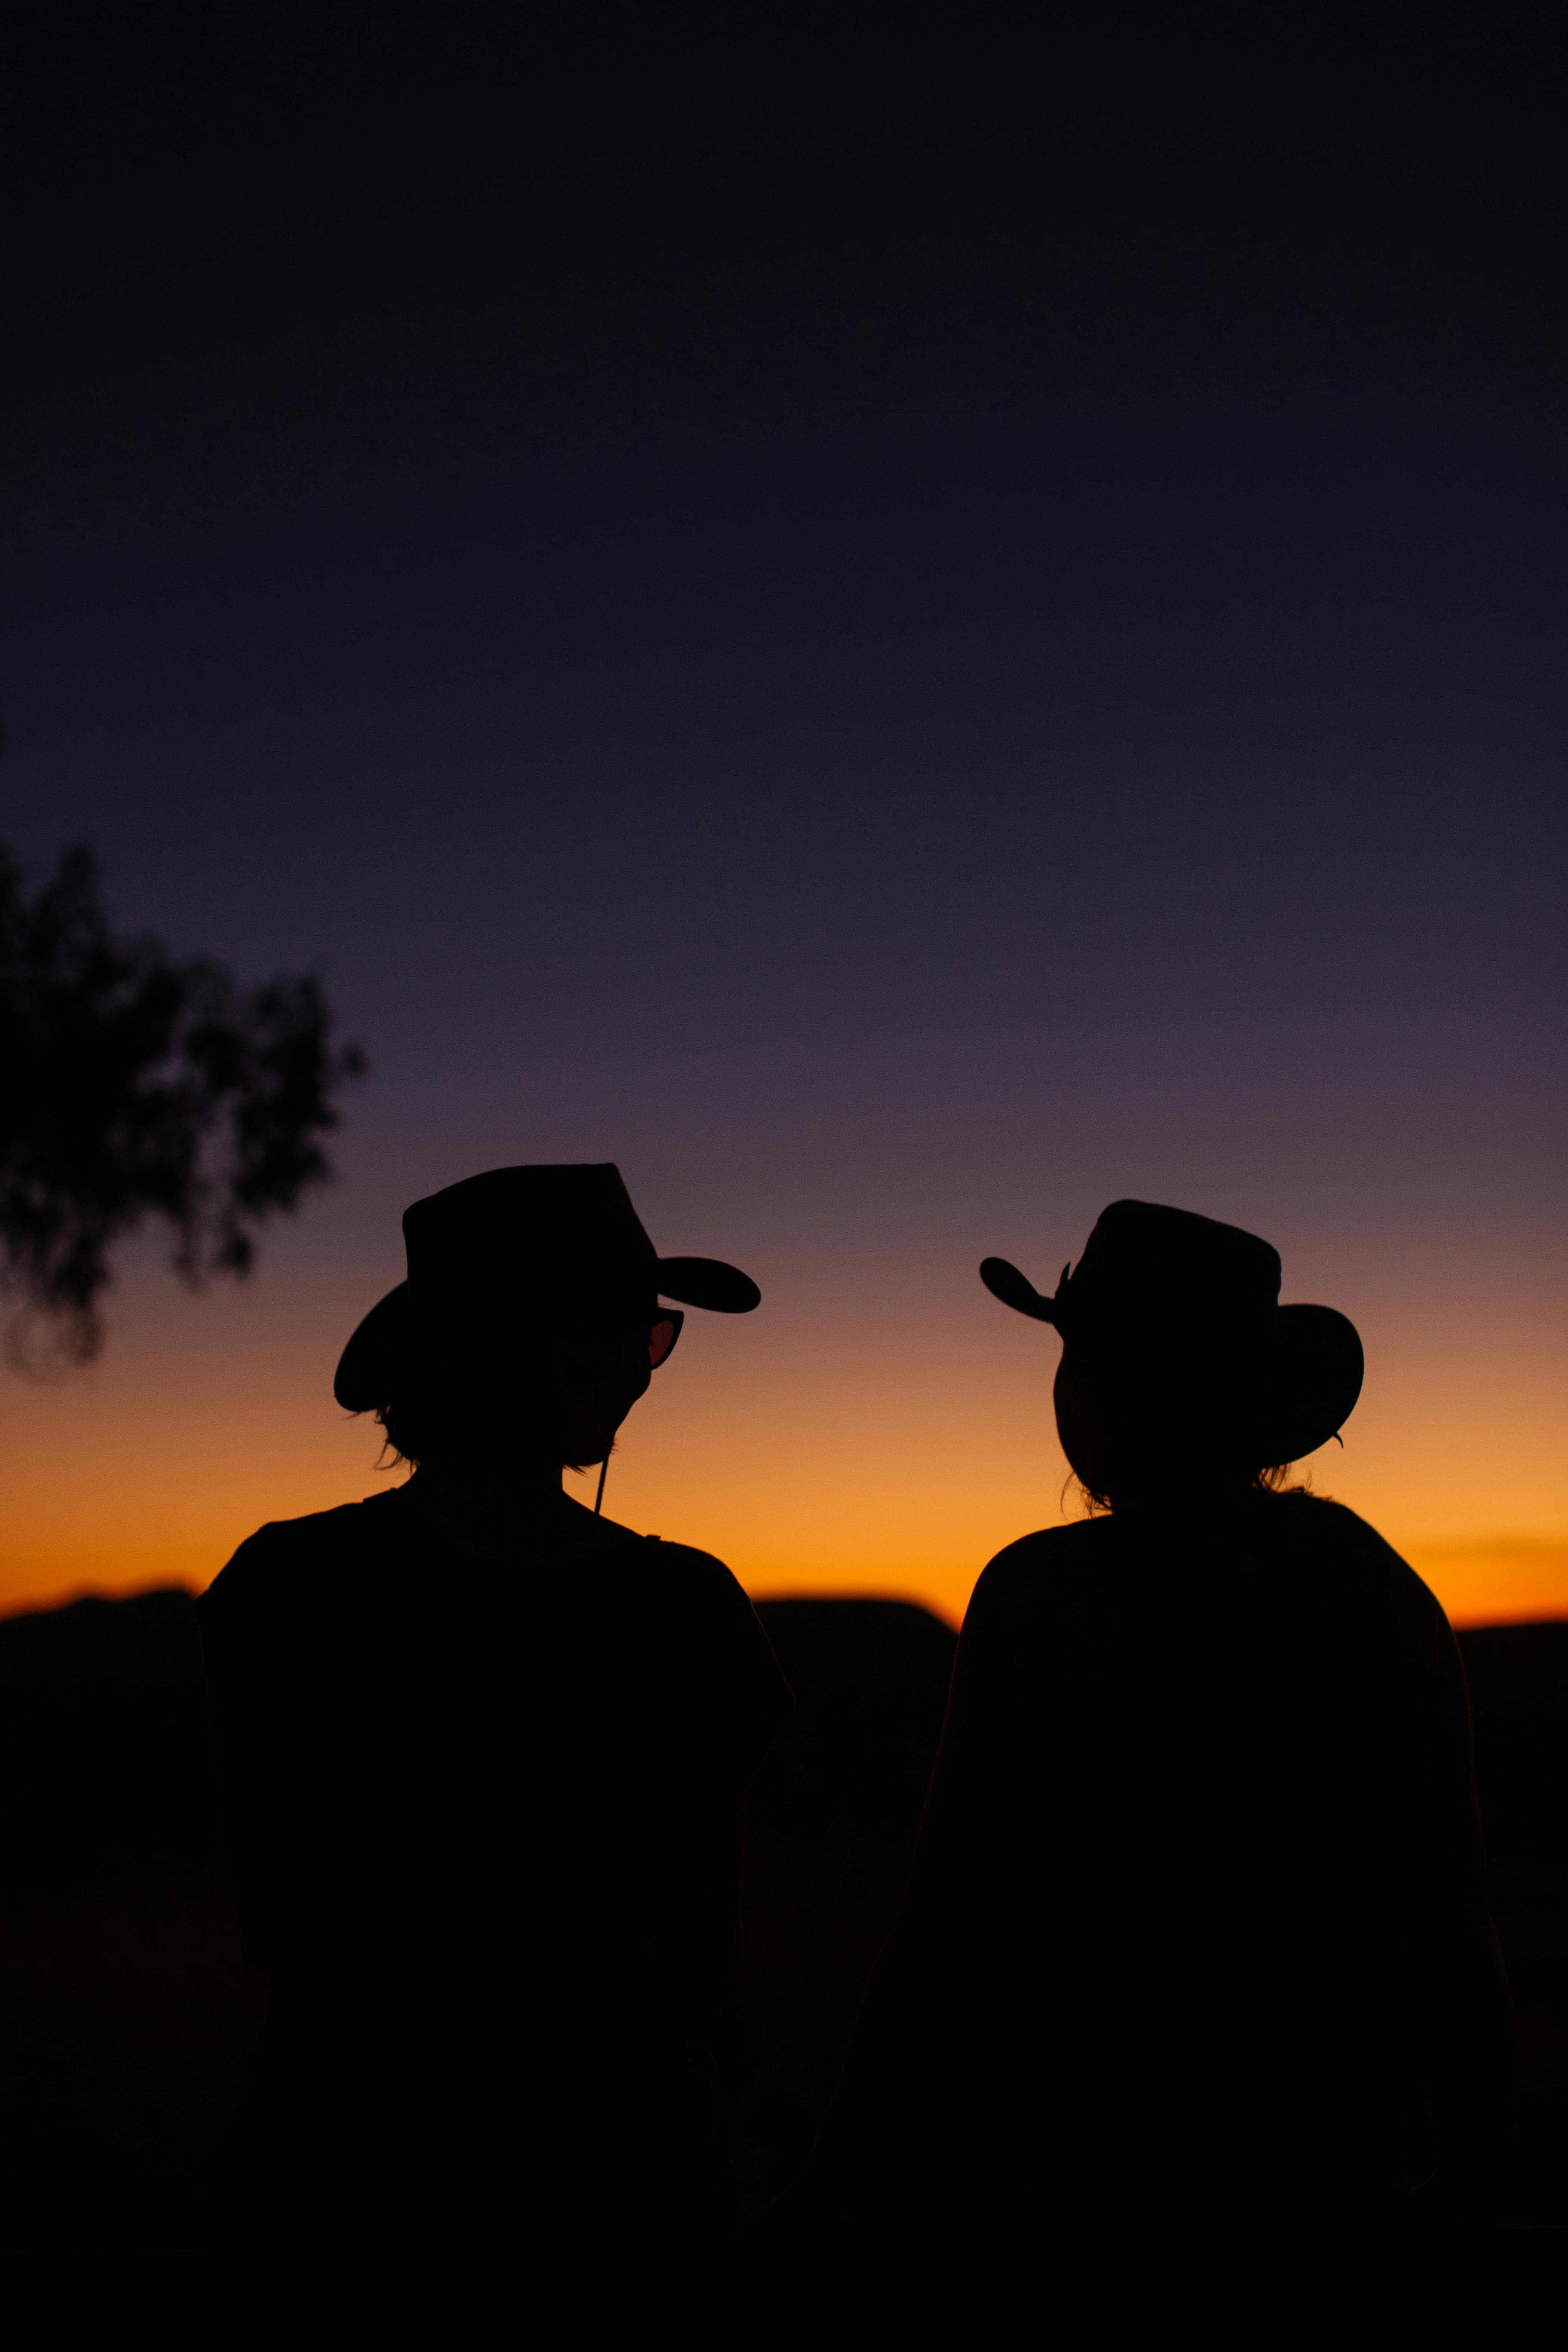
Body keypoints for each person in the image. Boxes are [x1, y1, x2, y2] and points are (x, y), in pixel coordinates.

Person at [783, 1201, 1513, 2340]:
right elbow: (1453, 1917)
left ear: (1107, 1390)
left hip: (1071, 2209)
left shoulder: (1047, 1596)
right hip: (1328, 2203)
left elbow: (948, 1927)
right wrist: (1482, 2177)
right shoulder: (1374, 1588)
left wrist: (837, 2191)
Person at [196, 1165, 792, 2343]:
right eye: (640, 1331)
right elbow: (701, 1959)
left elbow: (270, 1914)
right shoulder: (682, 1612)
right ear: (552, 1352)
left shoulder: (279, 1589)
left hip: (336, 2159)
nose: (646, 1364)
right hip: (612, 2179)